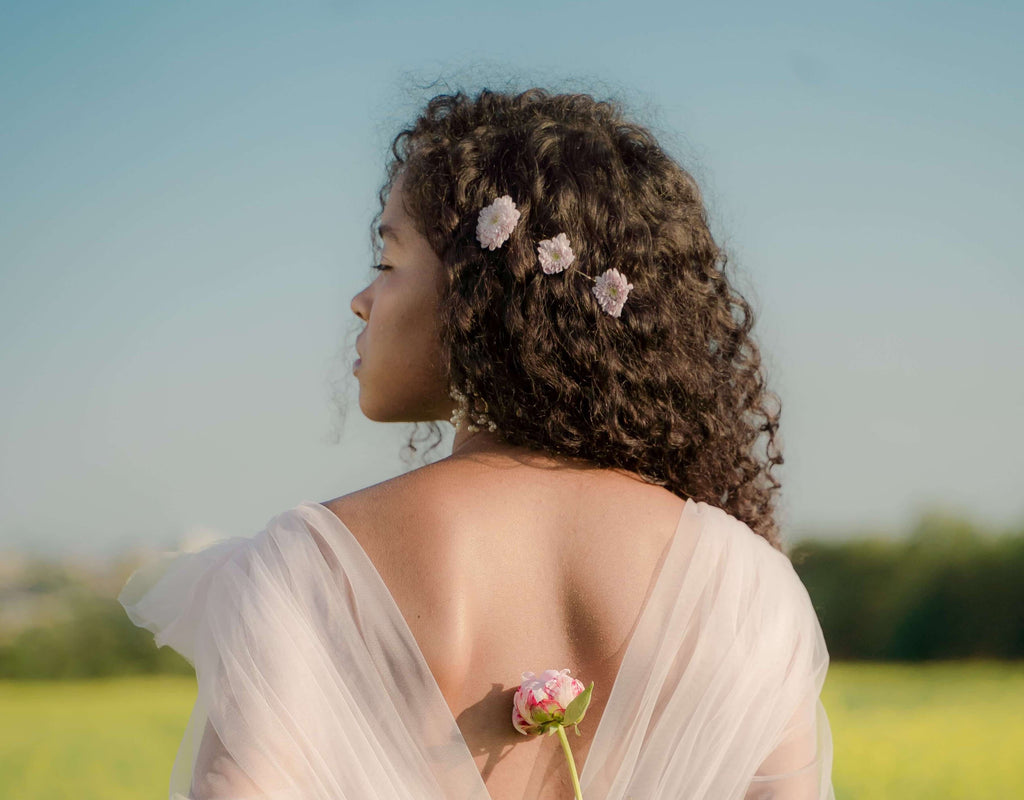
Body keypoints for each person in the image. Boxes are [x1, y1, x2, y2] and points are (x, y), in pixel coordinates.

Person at [119, 87, 834, 800]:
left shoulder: (309, 571)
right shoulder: (750, 589)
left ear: (476, 293)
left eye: (387, 261)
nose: (362, 301)